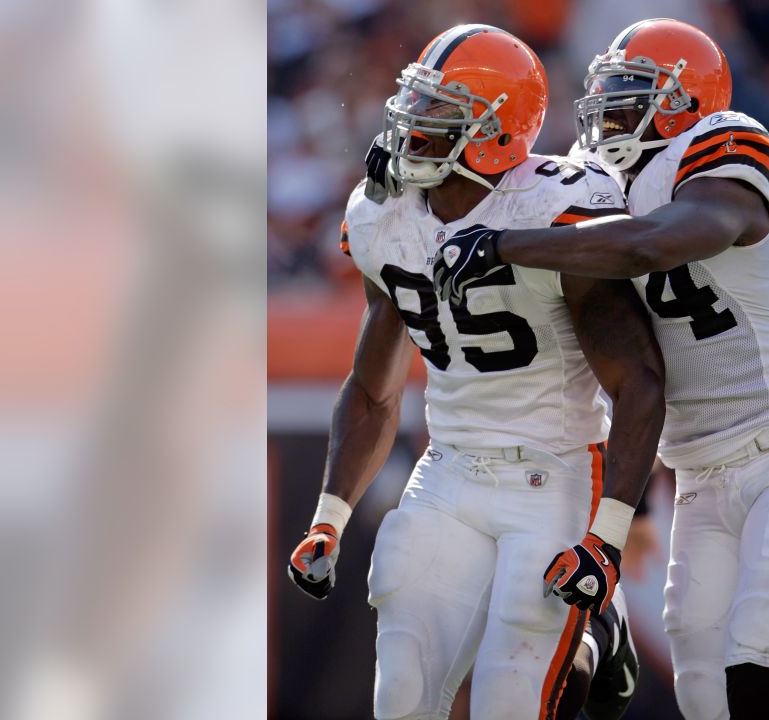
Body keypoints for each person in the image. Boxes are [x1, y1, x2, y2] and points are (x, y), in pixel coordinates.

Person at [433, 18, 769, 720]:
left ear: (683, 102)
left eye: (630, 91)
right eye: (607, 91)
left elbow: (659, 242)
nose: (608, 109)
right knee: (706, 700)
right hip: (698, 477)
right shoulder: (598, 185)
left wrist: (508, 243)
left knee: (758, 667)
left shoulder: (721, 145)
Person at [285, 24, 666, 720]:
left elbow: (636, 379)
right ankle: (584, 636)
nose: (411, 124)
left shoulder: (556, 210)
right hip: (450, 469)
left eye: (441, 112)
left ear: (495, 131)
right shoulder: (384, 215)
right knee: (402, 695)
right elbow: (373, 390)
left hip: (552, 472)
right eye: (416, 103)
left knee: (509, 697)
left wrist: (606, 539)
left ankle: (592, 634)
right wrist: (328, 518)